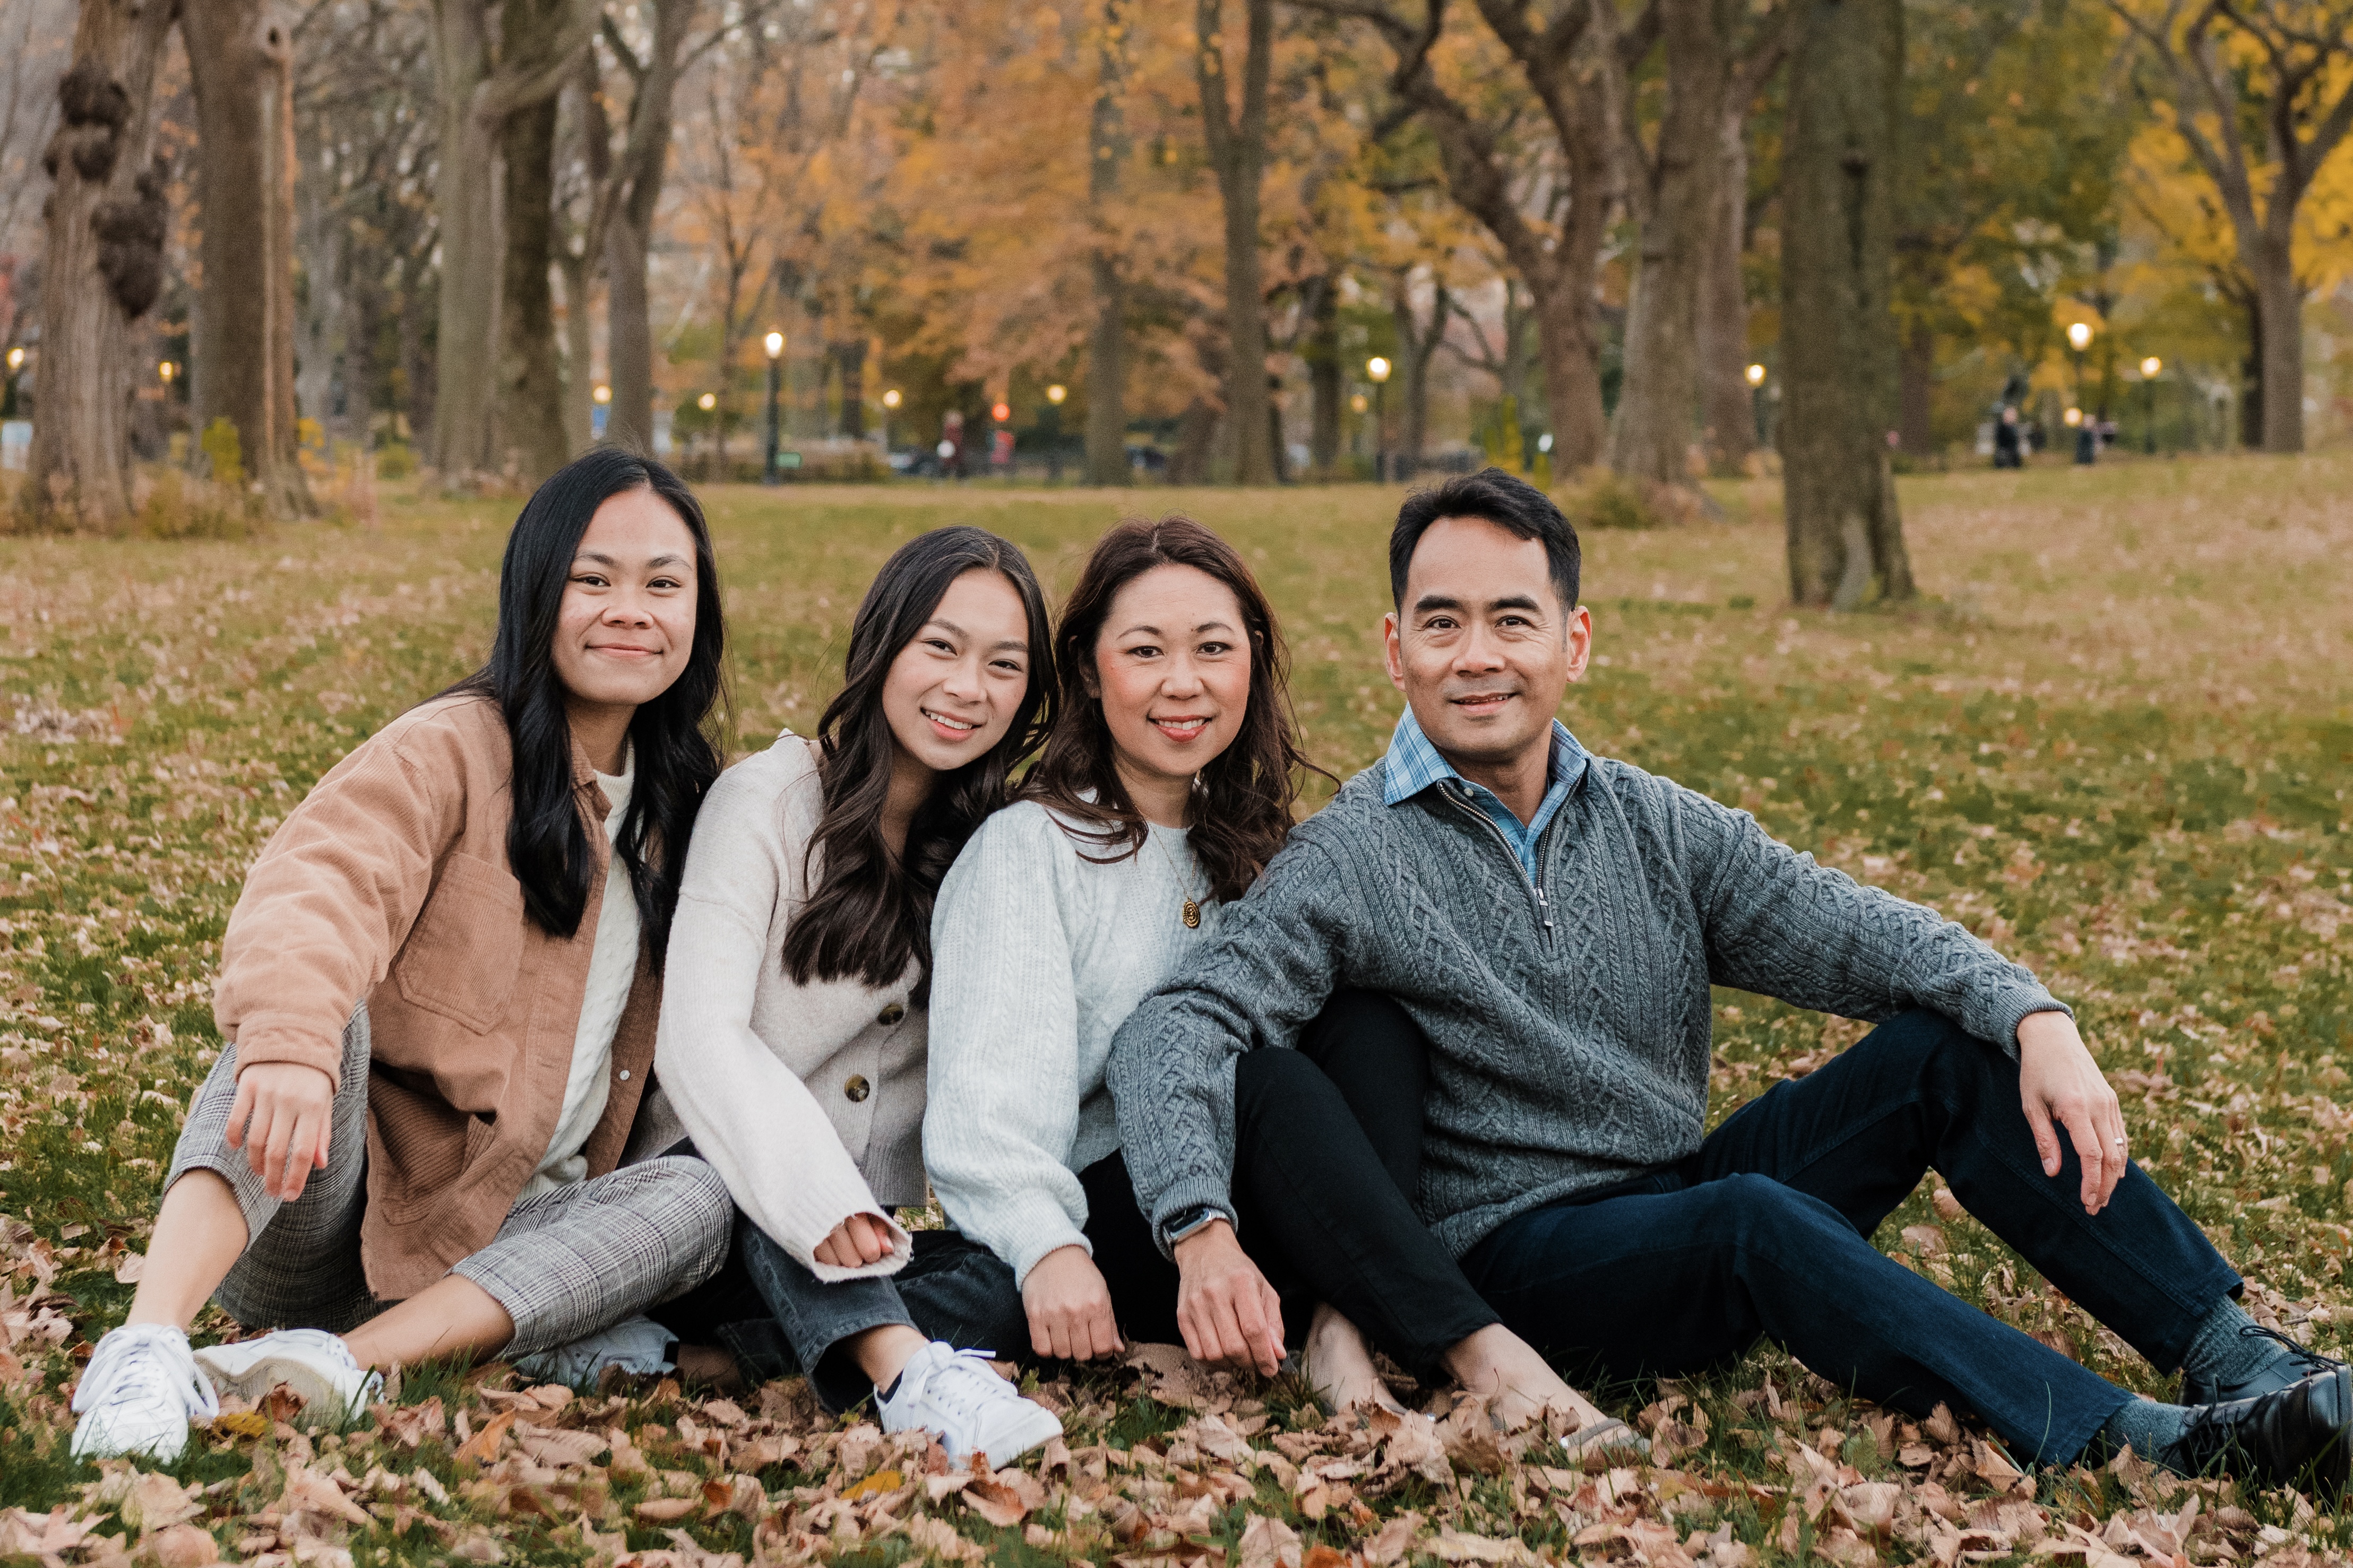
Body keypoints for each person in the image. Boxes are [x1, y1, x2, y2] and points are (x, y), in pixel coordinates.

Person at [1107, 469, 2351, 1494]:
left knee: (1943, 1048)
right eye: (1441, 622)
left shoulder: (1655, 823)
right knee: (1754, 1214)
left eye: (1511, 619)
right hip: (1516, 1253)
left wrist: (2033, 1009)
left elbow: (1854, 929)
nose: (1476, 655)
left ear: (1574, 642)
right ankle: (2123, 1436)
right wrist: (1196, 1223)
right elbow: (1184, 1023)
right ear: (1395, 648)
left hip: (1673, 1188)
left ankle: (2226, 1347)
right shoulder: (1352, 857)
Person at [70, 449, 739, 1462]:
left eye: (662, 584)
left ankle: (349, 1365)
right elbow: (321, 881)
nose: (629, 610)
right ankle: (147, 1347)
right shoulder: (453, 749)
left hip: (506, 1242)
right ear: (536, 591)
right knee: (309, 1018)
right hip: (323, 1205)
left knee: (696, 1197)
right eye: (592, 580)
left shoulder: (688, 812)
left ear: (698, 612)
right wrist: (290, 1045)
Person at [925, 516, 1626, 1442]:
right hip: (1095, 1234)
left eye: (1214, 649)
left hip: (1249, 1214)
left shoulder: (1256, 848)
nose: (1185, 683)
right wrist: (1047, 1250)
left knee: (1370, 1017)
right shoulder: (1031, 849)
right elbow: (982, 1121)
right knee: (1258, 1081)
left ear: (1250, 664)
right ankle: (1485, 1357)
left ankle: (1341, 1327)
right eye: (1145, 651)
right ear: (1091, 673)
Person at [653, 526, 1066, 1462]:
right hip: (708, 1196)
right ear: (883, 644)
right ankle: (906, 1374)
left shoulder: (989, 844)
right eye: (941, 647)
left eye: (1006, 665)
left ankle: (701, 1362)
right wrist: (812, 1199)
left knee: (1006, 1286)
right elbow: (697, 1041)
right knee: (747, 1193)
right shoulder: (766, 800)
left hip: (862, 1244)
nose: (970, 688)